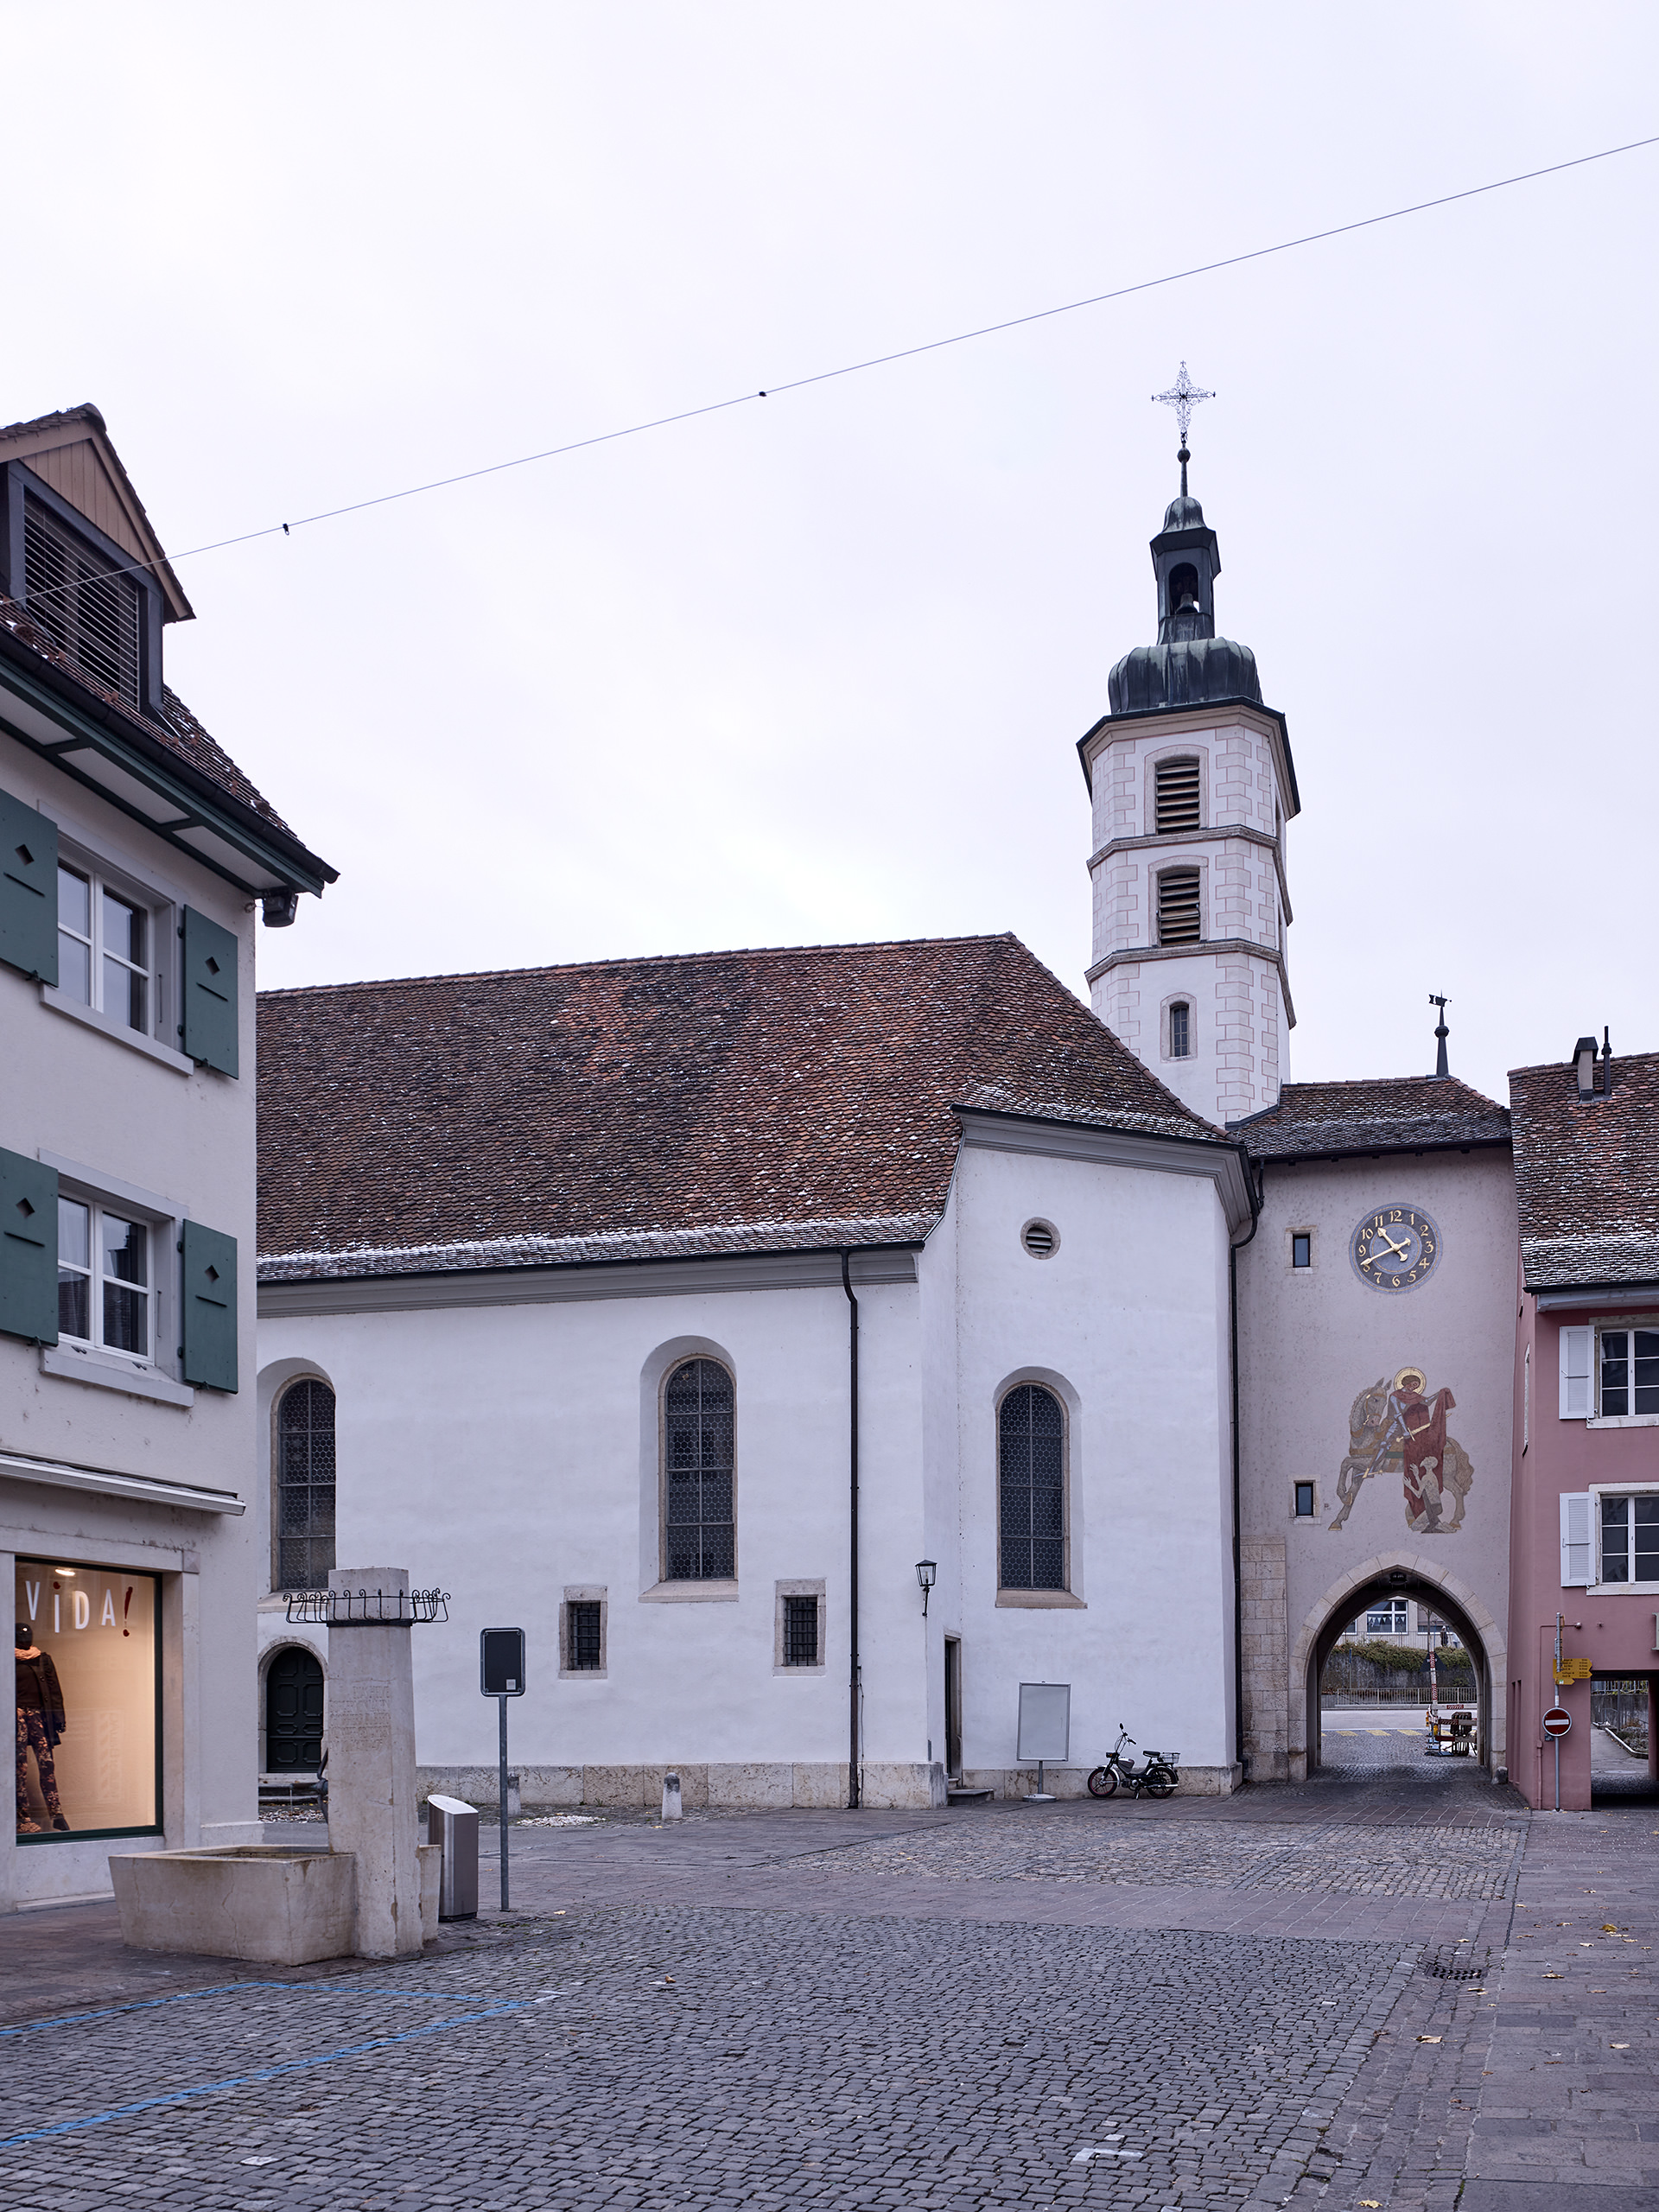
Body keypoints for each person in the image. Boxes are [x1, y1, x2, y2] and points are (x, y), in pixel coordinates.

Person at [16, 1623, 69, 1834]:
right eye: (20, 1635)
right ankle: (23, 1817)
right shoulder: (6, 1659)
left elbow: (54, 1690)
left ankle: (56, 1813)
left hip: (38, 1715)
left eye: (27, 1635)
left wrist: (58, 1719)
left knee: (46, 1763)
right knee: (19, 1767)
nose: (24, 1638)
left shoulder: (42, 1659)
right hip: (16, 1715)